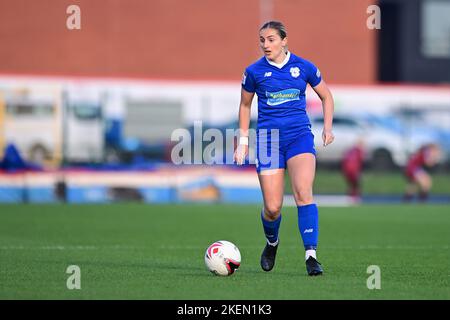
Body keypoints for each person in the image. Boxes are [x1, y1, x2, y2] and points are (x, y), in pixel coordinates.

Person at [233, 21, 335, 276]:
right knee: (273, 207)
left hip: (299, 137)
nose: (265, 45)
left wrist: (328, 128)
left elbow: (326, 96)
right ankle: (272, 243)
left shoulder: (303, 67)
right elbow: (245, 106)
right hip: (268, 141)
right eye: (262, 40)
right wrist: (243, 143)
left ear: (284, 40)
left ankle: (311, 256)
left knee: (303, 193)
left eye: (270, 39)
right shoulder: (254, 72)